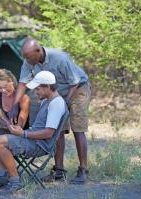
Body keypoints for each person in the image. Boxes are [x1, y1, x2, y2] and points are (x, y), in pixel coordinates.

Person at [10, 37, 91, 184]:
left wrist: (65, 103)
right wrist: (15, 105)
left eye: (28, 56)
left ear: (38, 50)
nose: (26, 60)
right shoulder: (29, 61)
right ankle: (59, 171)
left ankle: (83, 170)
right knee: (56, 129)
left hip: (78, 89)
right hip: (56, 92)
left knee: (78, 128)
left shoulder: (59, 58)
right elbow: (22, 83)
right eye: (25, 57)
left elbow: (75, 82)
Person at [0, 71, 66, 195]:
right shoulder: (47, 101)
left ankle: (15, 181)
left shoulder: (56, 104)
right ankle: (1, 176)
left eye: (38, 89)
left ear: (48, 87)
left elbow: (48, 133)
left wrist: (23, 134)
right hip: (33, 139)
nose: (35, 92)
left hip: (40, 145)